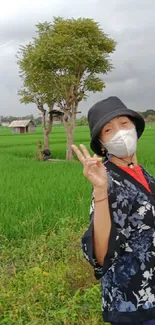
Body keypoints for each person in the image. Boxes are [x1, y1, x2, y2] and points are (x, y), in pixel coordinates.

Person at [71, 96, 155, 325]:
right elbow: (101, 254)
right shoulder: (107, 180)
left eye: (124, 124)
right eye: (108, 130)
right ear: (102, 143)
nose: (120, 132)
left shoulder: (141, 172)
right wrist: (100, 191)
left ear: (135, 128)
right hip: (133, 303)